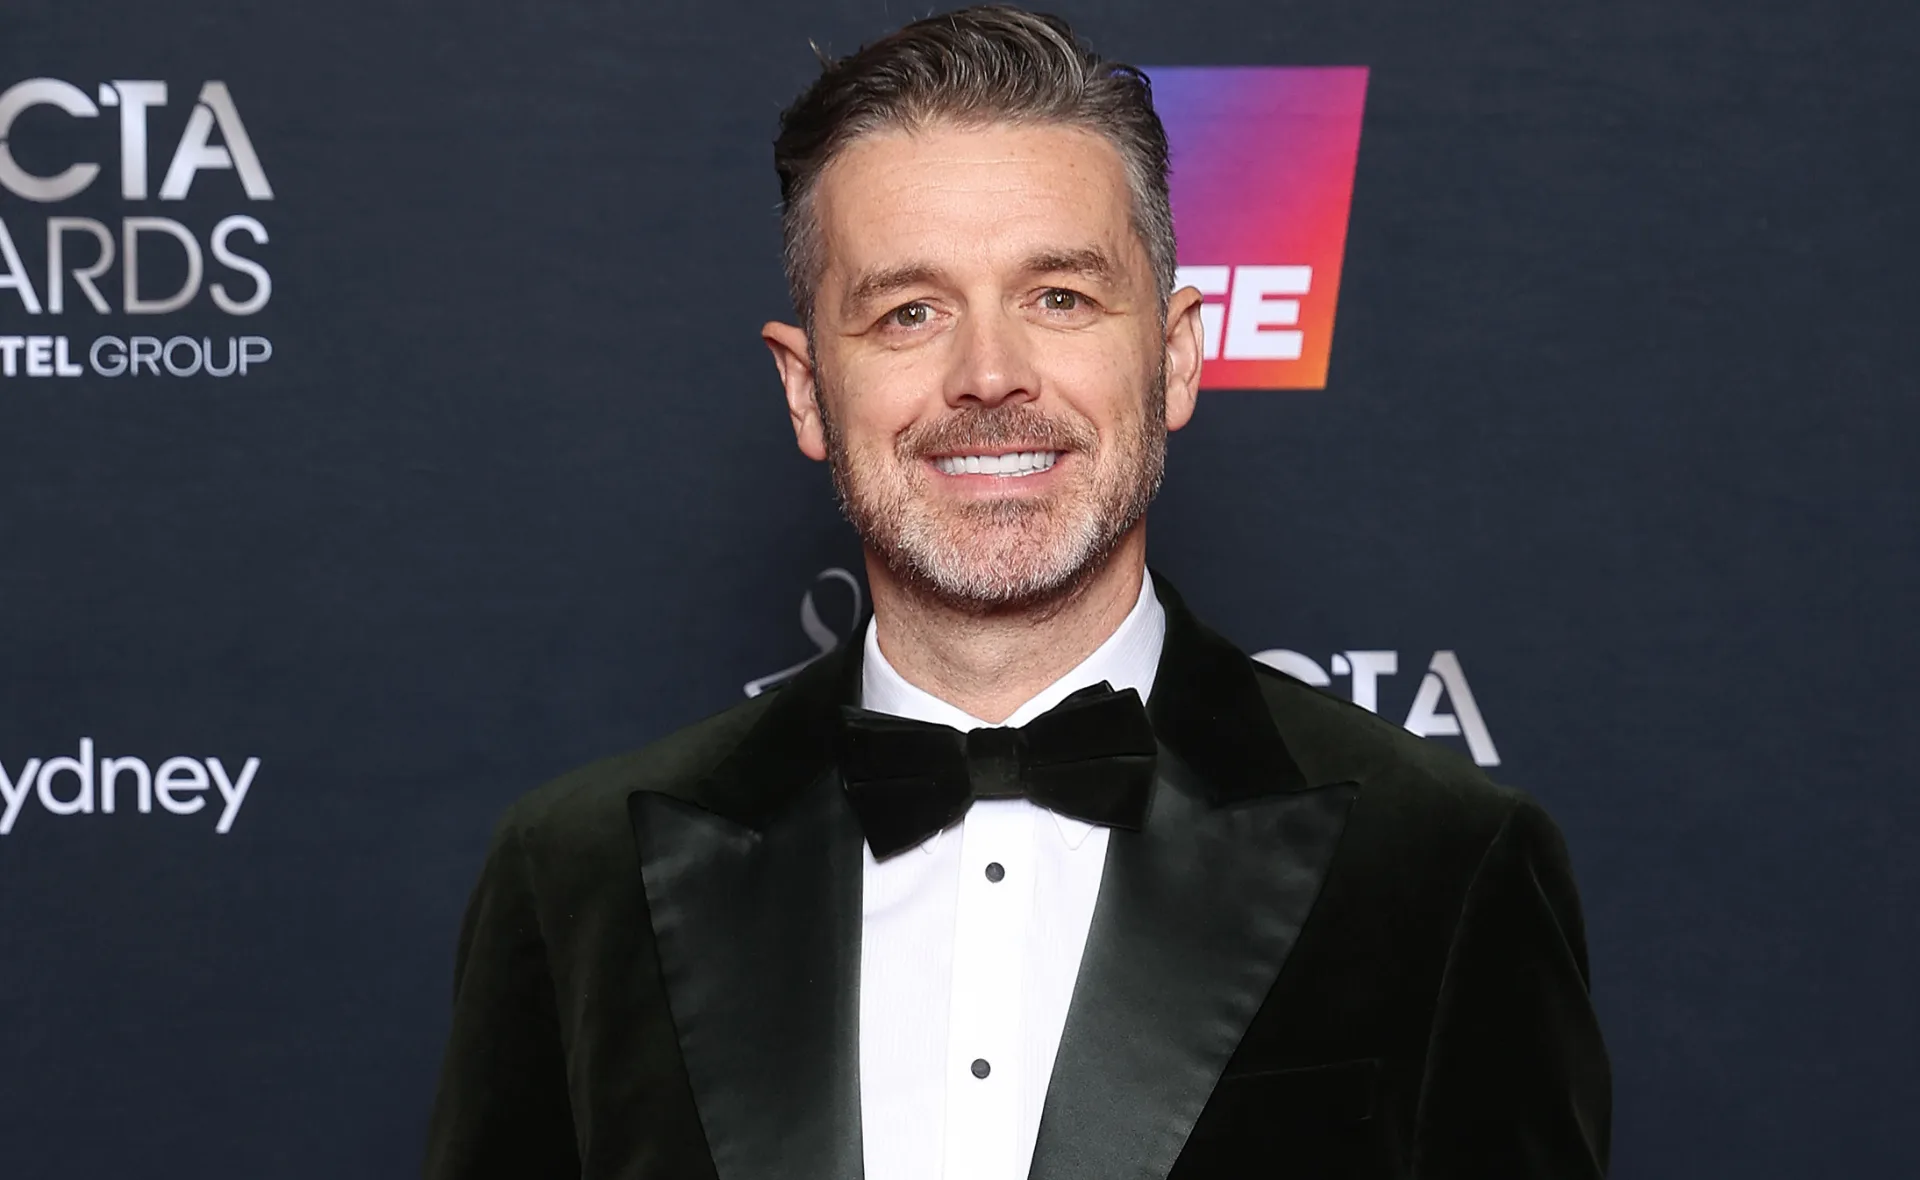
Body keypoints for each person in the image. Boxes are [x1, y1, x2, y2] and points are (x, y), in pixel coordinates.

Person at [421, 6, 1611, 1178]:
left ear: (1178, 353)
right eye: (910, 312)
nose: (988, 375)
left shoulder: (1446, 865)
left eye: (1059, 297)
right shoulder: (576, 881)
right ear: (804, 388)